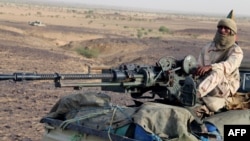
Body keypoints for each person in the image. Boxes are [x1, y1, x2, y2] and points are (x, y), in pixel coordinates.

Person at [194, 10, 243, 116]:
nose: (222, 30)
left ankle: (195, 94)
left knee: (218, 71)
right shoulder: (207, 48)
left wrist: (211, 67)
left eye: (226, 28)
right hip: (208, 84)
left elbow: (228, 66)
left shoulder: (236, 51)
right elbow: (199, 66)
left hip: (226, 87)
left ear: (232, 32)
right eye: (220, 27)